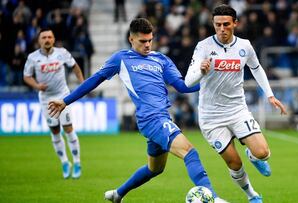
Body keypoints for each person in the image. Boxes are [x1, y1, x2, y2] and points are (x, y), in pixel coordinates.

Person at [48, 18, 228, 203]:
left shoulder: (161, 59)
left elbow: (182, 86)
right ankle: (212, 198)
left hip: (162, 117)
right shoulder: (121, 59)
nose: (148, 44)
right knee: (190, 153)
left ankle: (118, 194)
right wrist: (66, 101)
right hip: (151, 119)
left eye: (150, 40)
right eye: (143, 41)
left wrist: (206, 81)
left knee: (155, 169)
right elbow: (94, 80)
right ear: (131, 39)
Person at [185, 4, 287, 203]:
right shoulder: (203, 47)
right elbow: (188, 81)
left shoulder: (245, 46)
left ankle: (253, 155)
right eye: (217, 25)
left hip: (237, 110)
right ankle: (252, 195)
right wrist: (201, 71)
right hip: (211, 117)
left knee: (263, 153)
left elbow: (256, 68)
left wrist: (270, 95)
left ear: (235, 24)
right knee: (234, 162)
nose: (221, 29)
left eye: (225, 24)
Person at [23, 28, 84, 179]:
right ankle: (64, 162)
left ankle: (77, 162)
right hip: (46, 99)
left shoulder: (62, 52)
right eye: (44, 37)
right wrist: (37, 86)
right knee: (55, 131)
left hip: (63, 97)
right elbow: (26, 76)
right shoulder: (32, 57)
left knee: (68, 128)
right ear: (39, 40)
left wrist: (83, 84)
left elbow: (75, 67)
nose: (47, 40)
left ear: (54, 39)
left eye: (49, 37)